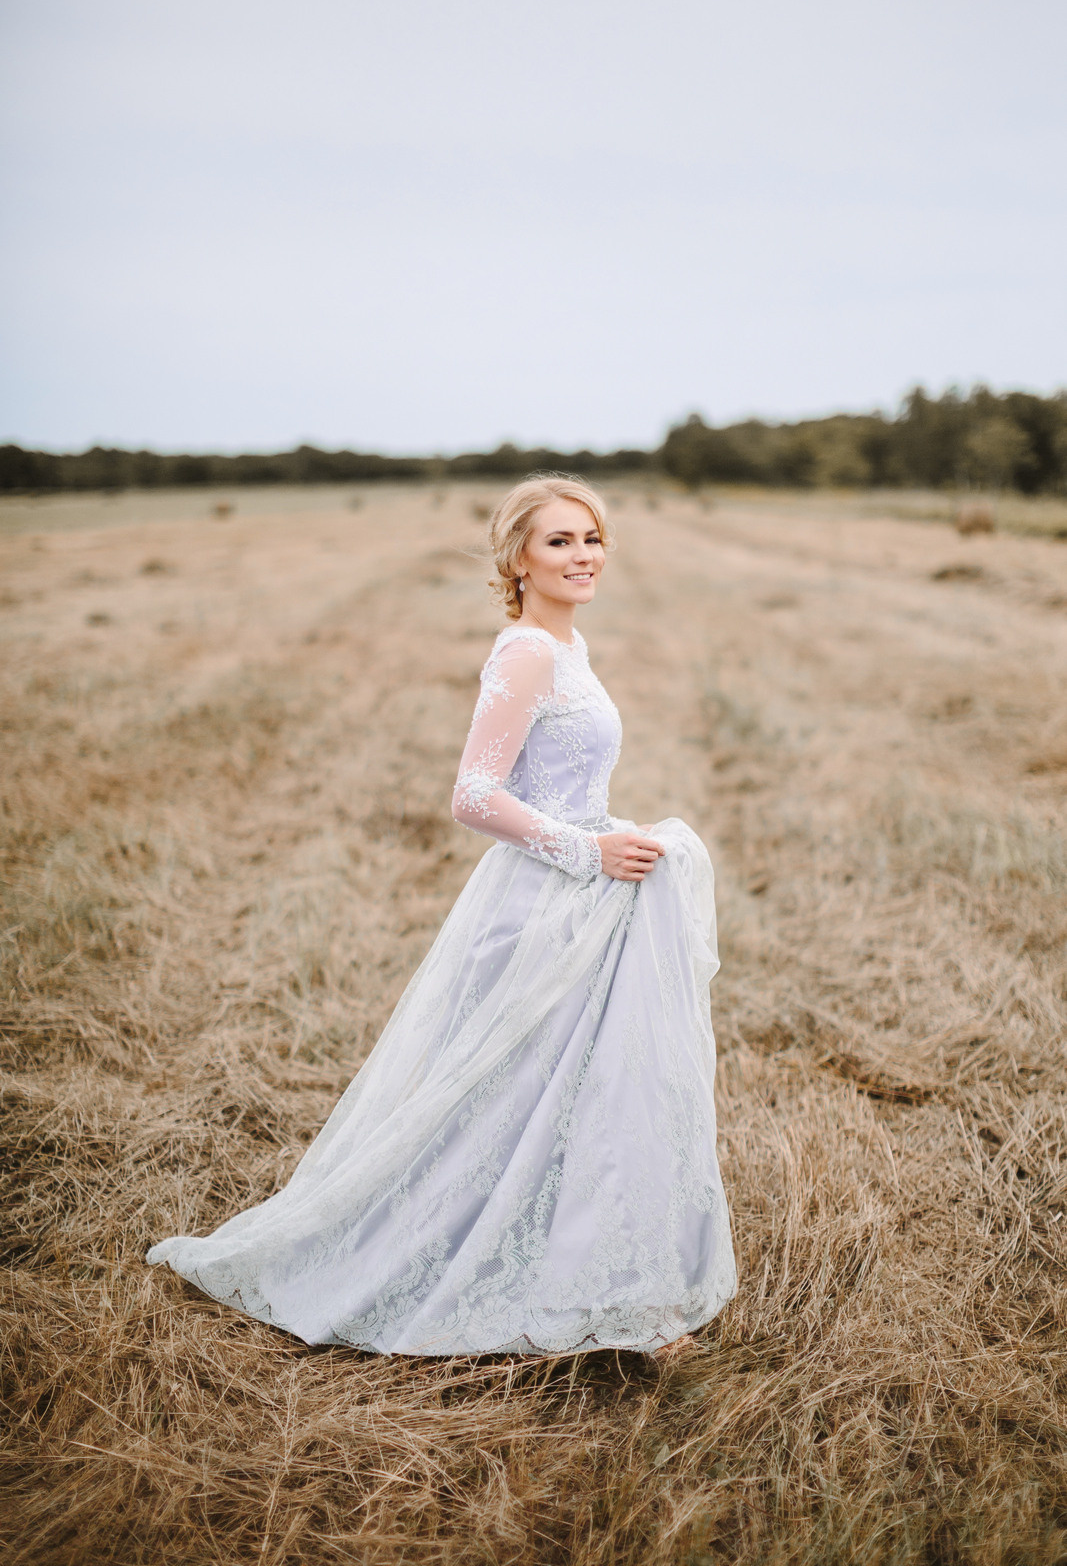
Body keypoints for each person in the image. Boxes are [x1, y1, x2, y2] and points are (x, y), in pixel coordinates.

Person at [147, 474, 736, 1355]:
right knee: (509, 1094)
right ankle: (483, 1266)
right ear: (517, 558)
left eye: (591, 539)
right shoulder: (526, 653)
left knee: (584, 1089)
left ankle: (598, 1278)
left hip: (583, 888)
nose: (582, 556)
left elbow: (562, 783)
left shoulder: (568, 645)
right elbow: (473, 795)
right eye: (559, 541)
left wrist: (612, 836)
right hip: (541, 898)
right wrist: (588, 852)